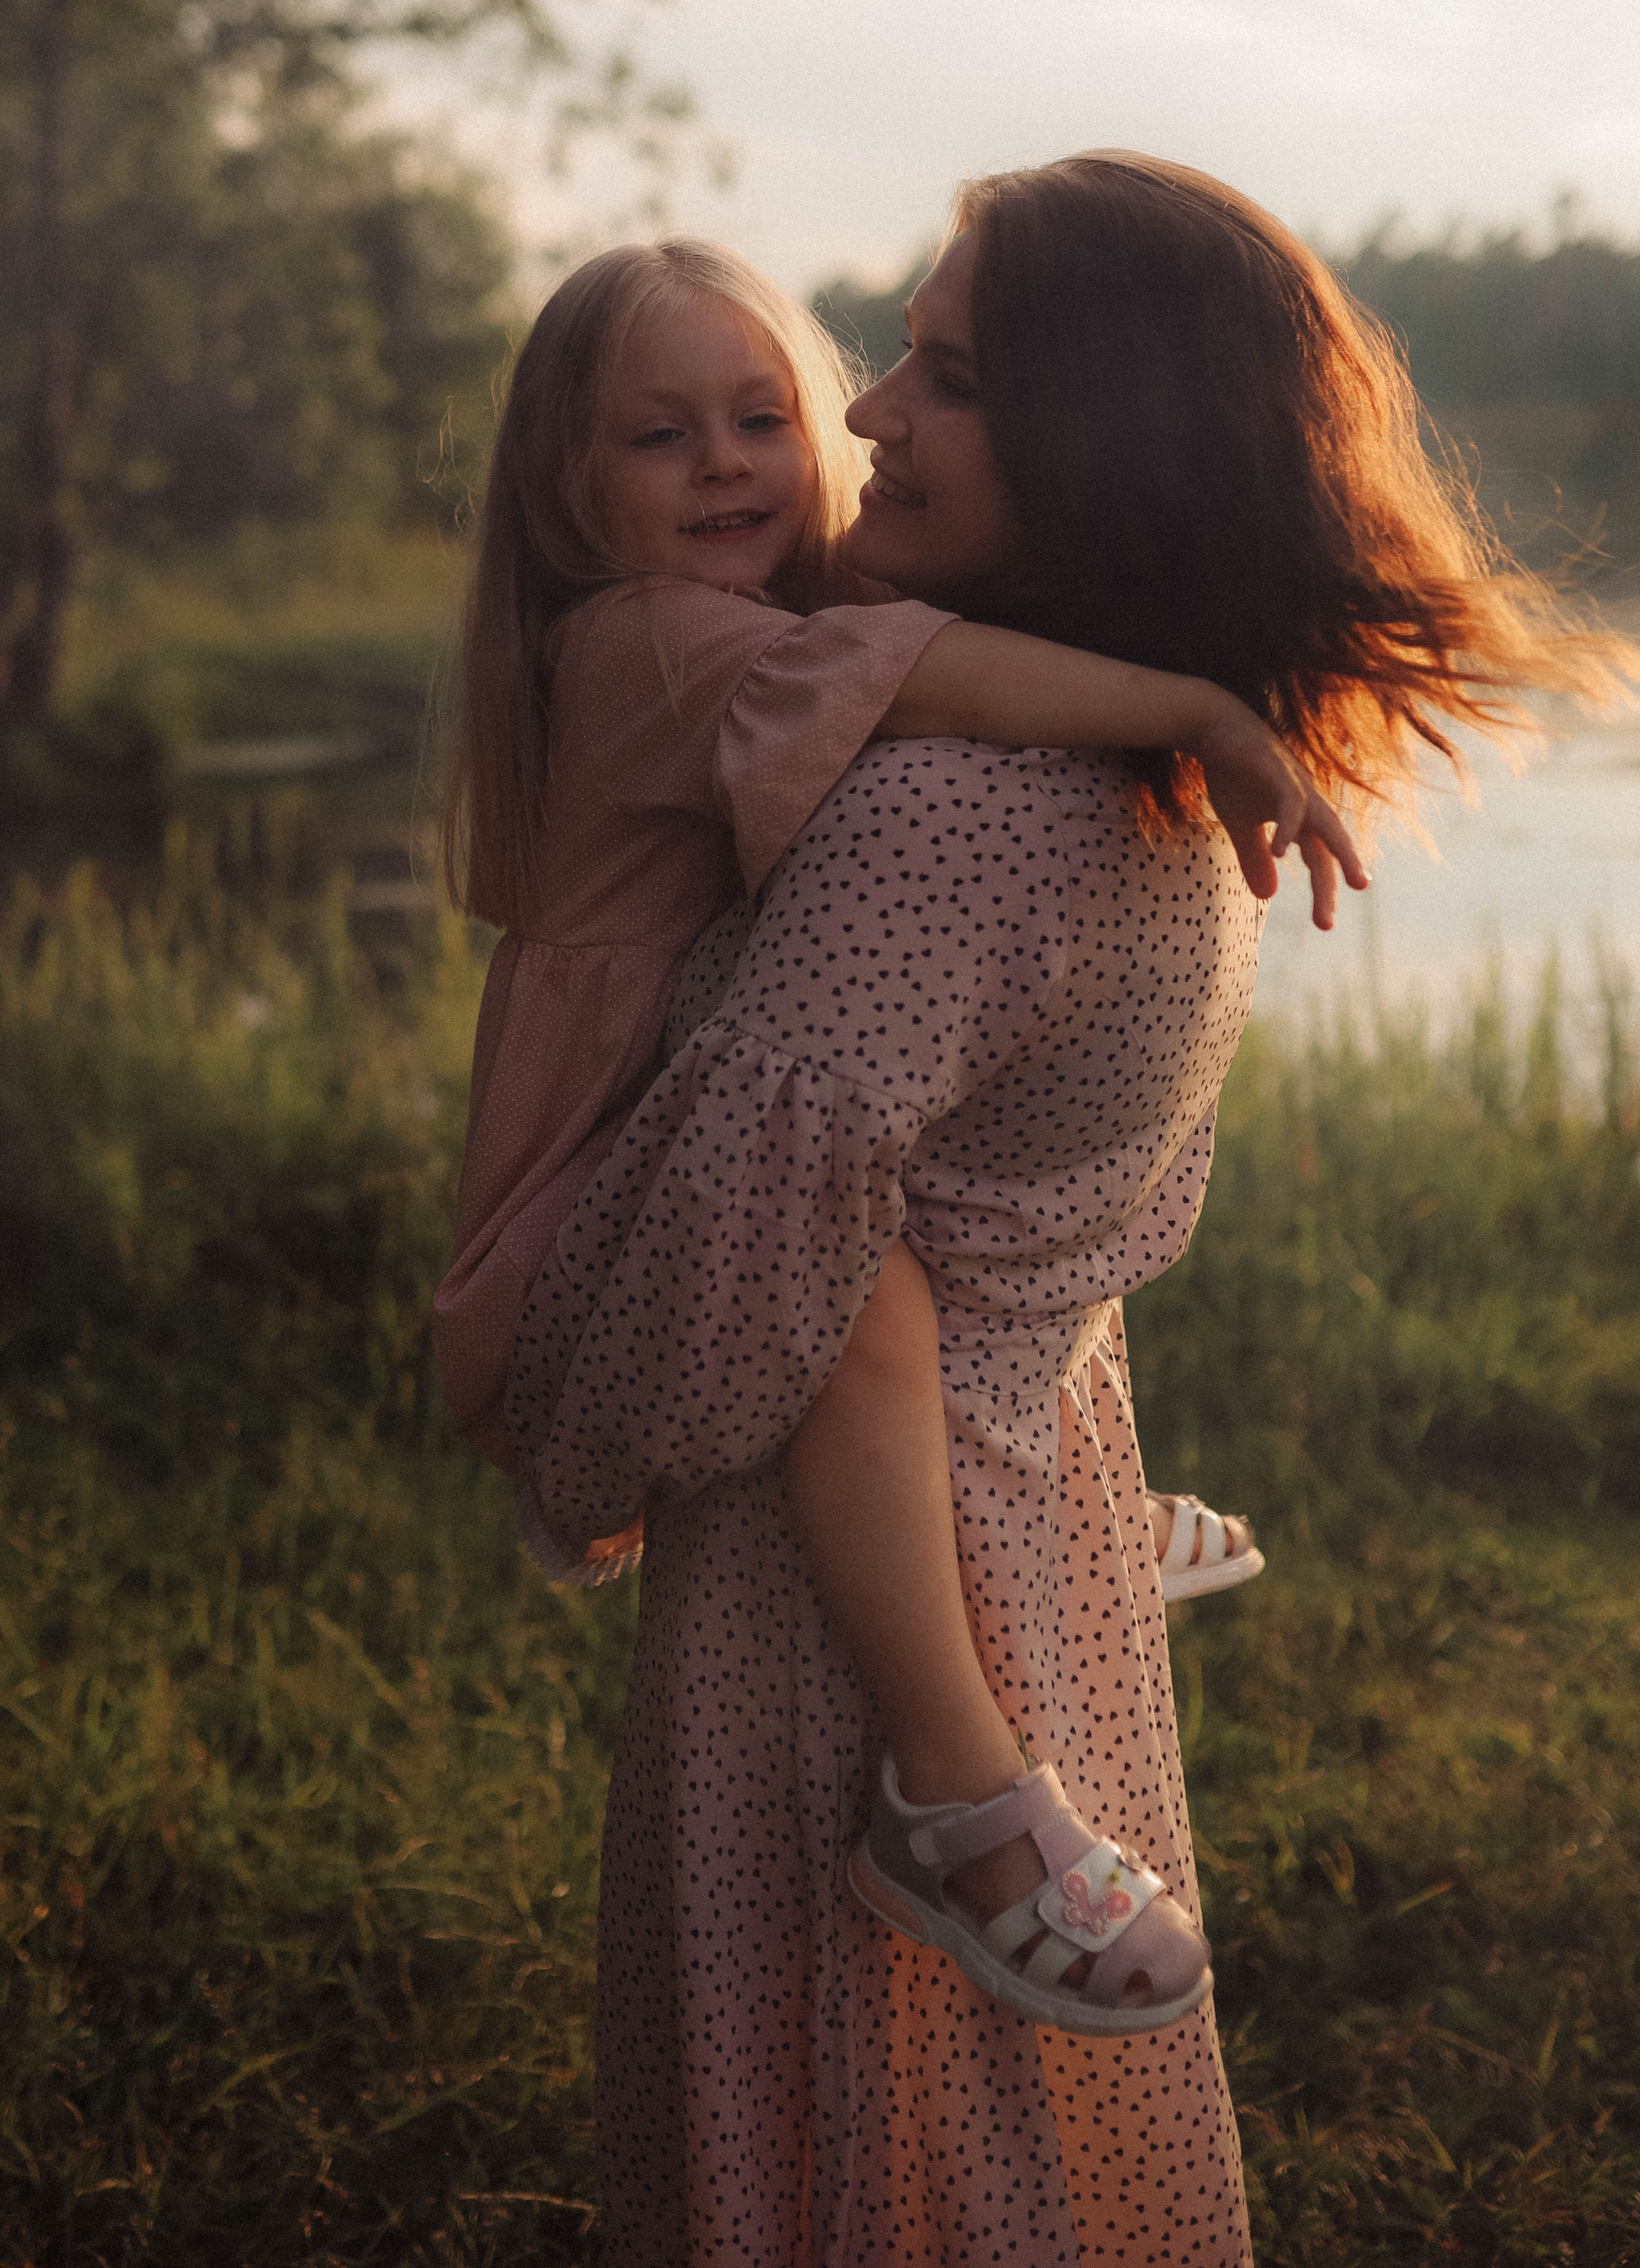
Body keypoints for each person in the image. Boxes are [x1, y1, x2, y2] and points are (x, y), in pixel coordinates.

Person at [507, 156, 1622, 2265]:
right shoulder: (1131, 776)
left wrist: (547, 1425)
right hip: (1022, 1528)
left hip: (849, 1632)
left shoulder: (943, 804)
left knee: (896, 2157)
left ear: (1104, 433)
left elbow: (729, 1290)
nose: (859, 423)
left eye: (941, 375)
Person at [434, 230, 1364, 1994]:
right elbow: (934, 674)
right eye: (658, 439)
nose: (729, 465)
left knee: (889, 1241)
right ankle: (952, 1795)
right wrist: (1194, 708)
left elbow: (925, 652)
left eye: (759, 417)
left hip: (687, 1135)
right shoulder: (641, 641)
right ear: (567, 498)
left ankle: (1068, 1518)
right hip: (601, 1189)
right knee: (854, 1283)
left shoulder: (791, 622)